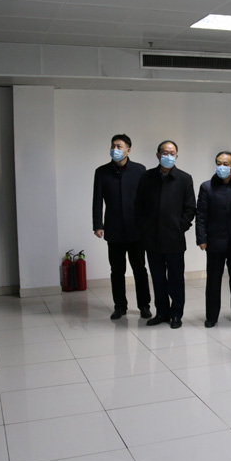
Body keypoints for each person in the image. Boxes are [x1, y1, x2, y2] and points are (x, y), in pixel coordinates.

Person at [137, 140, 196, 329]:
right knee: (158, 278)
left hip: (174, 238)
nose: (168, 156)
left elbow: (190, 208)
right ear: (158, 155)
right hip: (152, 238)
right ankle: (161, 312)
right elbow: (139, 205)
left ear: (177, 156)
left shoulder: (184, 178)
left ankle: (176, 313)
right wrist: (144, 228)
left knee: (176, 279)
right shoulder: (147, 177)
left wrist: (180, 227)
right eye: (165, 153)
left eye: (172, 153)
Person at [92, 134, 152, 321]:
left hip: (136, 230)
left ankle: (144, 306)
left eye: (119, 146)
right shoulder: (102, 172)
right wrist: (98, 224)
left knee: (139, 269)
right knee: (117, 270)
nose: (115, 149)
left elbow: (146, 199)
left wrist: (147, 224)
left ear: (128, 150)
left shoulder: (139, 170)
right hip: (114, 229)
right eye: (113, 146)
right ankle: (119, 306)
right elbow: (97, 200)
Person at [196, 151, 231, 327]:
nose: (221, 167)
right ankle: (211, 316)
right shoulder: (207, 187)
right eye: (218, 163)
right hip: (214, 241)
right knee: (213, 281)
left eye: (225, 164)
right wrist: (201, 238)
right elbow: (201, 216)